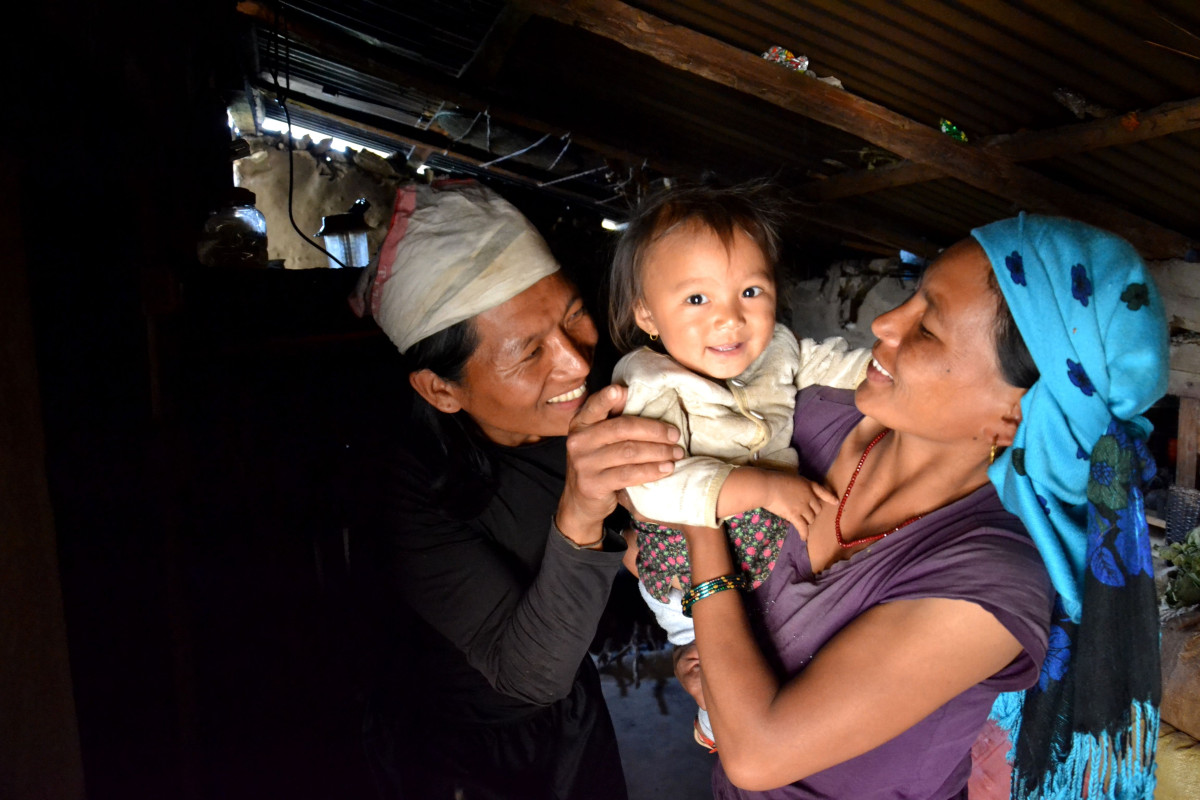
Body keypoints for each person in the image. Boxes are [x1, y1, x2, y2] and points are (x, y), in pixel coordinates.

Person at [668, 213, 1167, 799]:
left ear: (1014, 416)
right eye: (912, 296)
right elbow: (646, 556)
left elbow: (758, 752)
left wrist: (700, 509)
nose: (883, 322)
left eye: (927, 328)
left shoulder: (993, 578)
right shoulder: (803, 420)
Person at [350, 180, 683, 800]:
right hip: (457, 757)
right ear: (440, 390)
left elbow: (661, 544)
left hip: (576, 724)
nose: (577, 363)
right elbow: (529, 677)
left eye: (573, 317)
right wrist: (583, 514)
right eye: (530, 352)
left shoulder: (605, 403)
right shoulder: (409, 491)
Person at [605, 183, 870, 748]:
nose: (730, 318)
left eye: (750, 291)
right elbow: (651, 487)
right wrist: (760, 488)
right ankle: (715, 717)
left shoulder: (778, 347)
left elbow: (833, 364)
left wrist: (888, 373)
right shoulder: (649, 381)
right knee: (709, 649)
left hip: (762, 547)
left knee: (768, 644)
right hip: (681, 558)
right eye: (696, 300)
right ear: (648, 315)